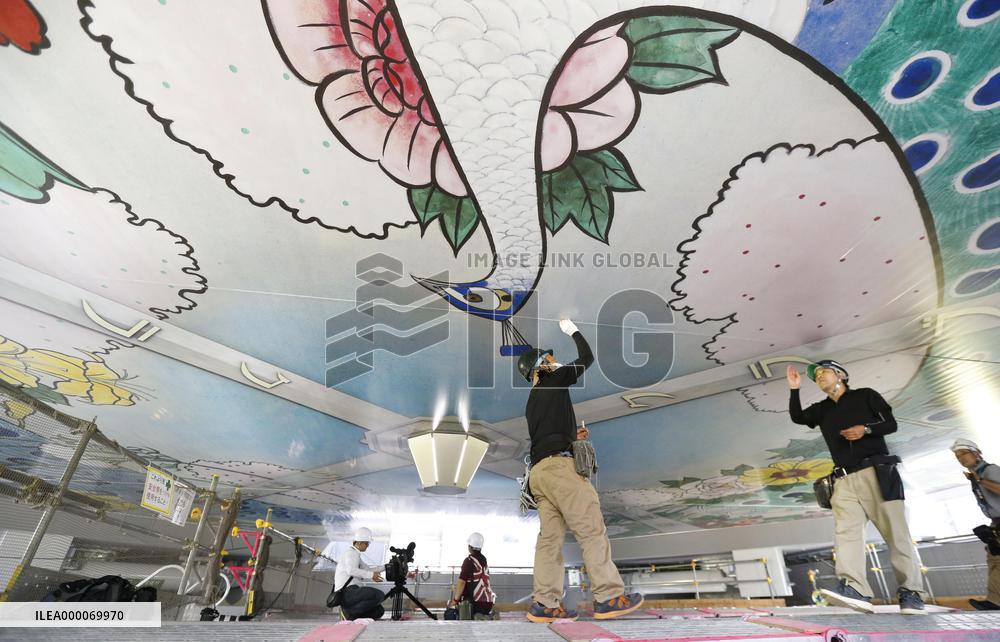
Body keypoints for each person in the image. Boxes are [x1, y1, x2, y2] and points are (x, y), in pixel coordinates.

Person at [517, 319, 643, 623]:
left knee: (549, 541)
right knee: (591, 530)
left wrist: (573, 439)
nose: (553, 359)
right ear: (540, 367)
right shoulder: (554, 378)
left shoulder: (532, 401)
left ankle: (545, 605)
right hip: (561, 471)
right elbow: (587, 358)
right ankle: (610, 596)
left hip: (540, 476)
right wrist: (573, 331)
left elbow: (549, 434)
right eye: (548, 359)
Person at [786, 360, 925, 614]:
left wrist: (866, 430)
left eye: (823, 372)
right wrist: (794, 389)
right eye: (815, 376)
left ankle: (912, 592)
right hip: (843, 480)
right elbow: (798, 417)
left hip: (878, 472)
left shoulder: (866, 396)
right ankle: (856, 589)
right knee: (846, 533)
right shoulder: (822, 409)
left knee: (896, 534)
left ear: (840, 374)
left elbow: (890, 424)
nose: (818, 377)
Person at [951, 439, 1000, 611]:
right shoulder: (976, 476)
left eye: (964, 453)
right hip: (996, 521)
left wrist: (981, 481)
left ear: (977, 453)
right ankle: (994, 602)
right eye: (957, 456)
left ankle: (995, 602)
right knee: (994, 558)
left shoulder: (990, 471)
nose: (961, 459)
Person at [330, 527, 386, 620]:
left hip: (352, 591)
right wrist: (372, 576)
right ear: (360, 542)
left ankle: (353, 616)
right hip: (347, 592)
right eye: (367, 543)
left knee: (379, 611)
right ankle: (348, 612)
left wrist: (386, 567)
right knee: (378, 595)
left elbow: (368, 570)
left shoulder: (356, 555)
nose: (368, 546)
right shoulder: (351, 553)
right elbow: (351, 570)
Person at [446, 532, 496, 619]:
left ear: (470, 546)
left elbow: (461, 582)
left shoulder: (468, 561)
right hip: (488, 602)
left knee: (450, 614)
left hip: (474, 604)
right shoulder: (484, 560)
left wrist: (454, 601)